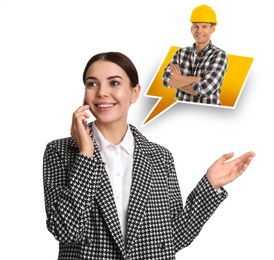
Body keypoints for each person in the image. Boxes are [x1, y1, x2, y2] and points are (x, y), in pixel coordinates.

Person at [43, 51, 255, 260]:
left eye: (114, 83)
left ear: (134, 93)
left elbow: (174, 238)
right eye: (92, 83)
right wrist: (85, 155)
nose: (101, 92)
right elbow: (65, 230)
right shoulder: (60, 152)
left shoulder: (160, 157)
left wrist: (209, 185)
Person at [163, 4, 228, 105]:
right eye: (196, 26)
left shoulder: (219, 55)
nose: (199, 30)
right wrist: (197, 79)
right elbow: (166, 79)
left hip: (209, 115)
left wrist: (178, 81)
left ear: (213, 29)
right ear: (191, 28)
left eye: (204, 26)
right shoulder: (180, 53)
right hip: (180, 113)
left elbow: (205, 89)